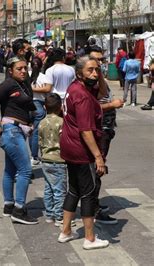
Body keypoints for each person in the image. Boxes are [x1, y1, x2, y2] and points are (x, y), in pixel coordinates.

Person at [58, 56, 109, 250]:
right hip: (81, 150)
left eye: (97, 69)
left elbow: (102, 90)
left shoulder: (75, 88)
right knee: (88, 193)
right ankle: (90, 238)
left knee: (74, 189)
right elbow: (86, 130)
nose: (95, 74)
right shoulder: (82, 96)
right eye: (90, 70)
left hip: (70, 147)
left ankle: (66, 231)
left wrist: (98, 74)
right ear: (79, 73)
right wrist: (98, 157)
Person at [0, 56, 38, 225]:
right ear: (10, 71)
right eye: (19, 69)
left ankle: (9, 205)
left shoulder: (23, 83)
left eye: (25, 68)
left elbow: (28, 103)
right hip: (11, 130)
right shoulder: (8, 84)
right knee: (25, 171)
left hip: (19, 130)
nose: (23, 71)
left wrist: (30, 120)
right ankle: (19, 210)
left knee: (10, 170)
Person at [88, 45, 123, 225]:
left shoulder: (98, 78)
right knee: (97, 168)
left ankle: (93, 204)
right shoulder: (89, 82)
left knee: (97, 169)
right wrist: (112, 105)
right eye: (96, 60)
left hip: (106, 128)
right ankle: (92, 209)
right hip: (99, 129)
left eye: (101, 60)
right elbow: (89, 108)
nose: (99, 64)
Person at [31, 48, 74, 166]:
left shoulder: (50, 70)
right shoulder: (71, 69)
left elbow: (48, 88)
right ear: (63, 57)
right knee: (67, 128)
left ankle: (54, 152)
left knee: (53, 129)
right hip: (68, 100)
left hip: (54, 102)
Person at [38, 93, 67, 227]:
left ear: (44, 107)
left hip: (45, 159)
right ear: (60, 107)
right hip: (59, 160)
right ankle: (59, 216)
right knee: (59, 190)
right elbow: (64, 141)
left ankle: (49, 214)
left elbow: (39, 141)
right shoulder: (62, 122)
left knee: (48, 188)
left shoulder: (41, 123)